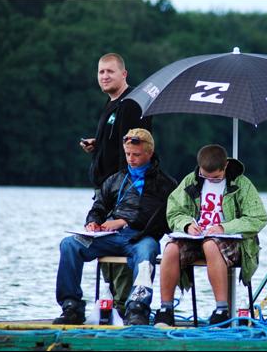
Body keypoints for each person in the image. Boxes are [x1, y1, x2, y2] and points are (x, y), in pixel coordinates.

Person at [54, 129, 176, 325]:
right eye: (128, 154)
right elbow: (99, 206)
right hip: (110, 237)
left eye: (136, 155)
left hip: (141, 238)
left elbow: (158, 217)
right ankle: (71, 306)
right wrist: (93, 222)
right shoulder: (115, 179)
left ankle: (137, 308)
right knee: (69, 244)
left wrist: (123, 222)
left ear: (149, 153)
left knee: (148, 252)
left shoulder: (165, 183)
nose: (131, 159)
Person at [154, 144, 267, 327]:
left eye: (215, 178)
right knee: (171, 249)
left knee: (210, 245)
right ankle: (165, 310)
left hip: (231, 241)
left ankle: (221, 311)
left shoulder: (241, 183)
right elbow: (174, 211)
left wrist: (224, 228)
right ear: (199, 168)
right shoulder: (191, 180)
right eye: (205, 176)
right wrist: (187, 225)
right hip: (195, 238)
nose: (210, 180)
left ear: (225, 167)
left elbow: (258, 218)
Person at [80, 53, 152, 316]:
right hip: (105, 191)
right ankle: (115, 305)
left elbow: (136, 148)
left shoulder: (131, 104)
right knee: (105, 250)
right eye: (101, 72)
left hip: (124, 192)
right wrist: (97, 146)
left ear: (124, 74)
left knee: (120, 249)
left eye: (110, 71)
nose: (105, 76)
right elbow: (117, 142)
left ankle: (124, 307)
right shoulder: (111, 103)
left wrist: (125, 192)